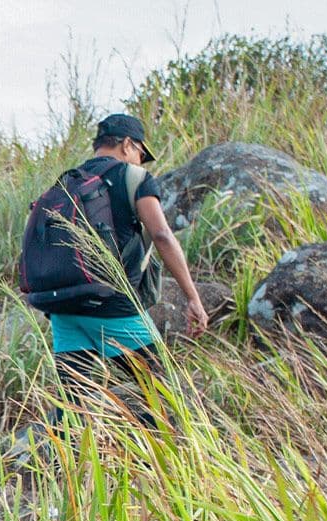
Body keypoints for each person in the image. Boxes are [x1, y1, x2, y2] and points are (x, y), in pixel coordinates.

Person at [28, 113, 210, 426]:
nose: (142, 161)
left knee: (71, 404)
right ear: (127, 144)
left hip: (64, 308)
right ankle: (166, 468)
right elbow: (163, 235)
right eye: (141, 153)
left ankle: (60, 470)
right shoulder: (134, 178)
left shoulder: (66, 181)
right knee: (163, 393)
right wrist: (192, 297)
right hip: (113, 306)